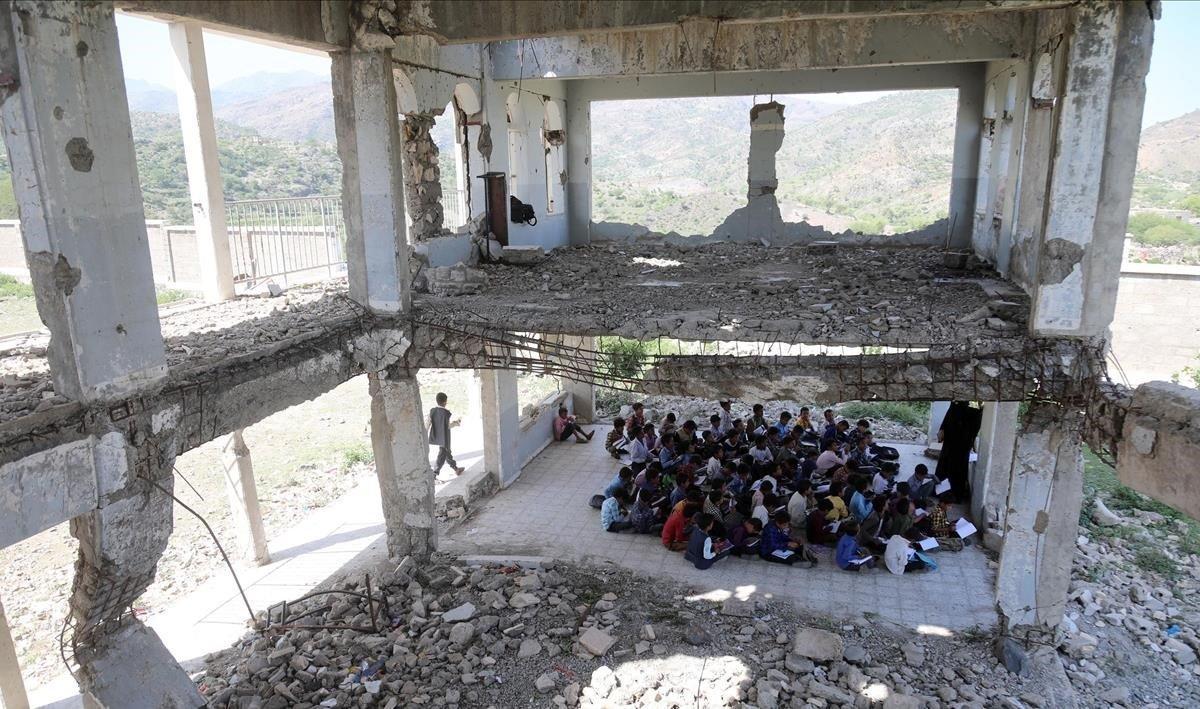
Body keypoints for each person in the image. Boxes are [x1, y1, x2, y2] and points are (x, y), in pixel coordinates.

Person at [935, 401, 982, 503]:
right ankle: (943, 492)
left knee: (957, 468)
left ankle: (954, 494)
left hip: (962, 442)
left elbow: (976, 422)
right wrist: (942, 429)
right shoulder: (958, 399)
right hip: (952, 439)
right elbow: (950, 412)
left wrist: (971, 441)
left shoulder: (974, 403)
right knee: (947, 466)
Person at [428, 392, 465, 476]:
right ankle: (435, 473)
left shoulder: (432, 411)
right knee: (443, 453)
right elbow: (448, 426)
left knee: (447, 452)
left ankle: (455, 468)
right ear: (445, 402)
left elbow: (428, 423)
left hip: (437, 435)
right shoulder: (446, 413)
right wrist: (456, 423)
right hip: (445, 437)